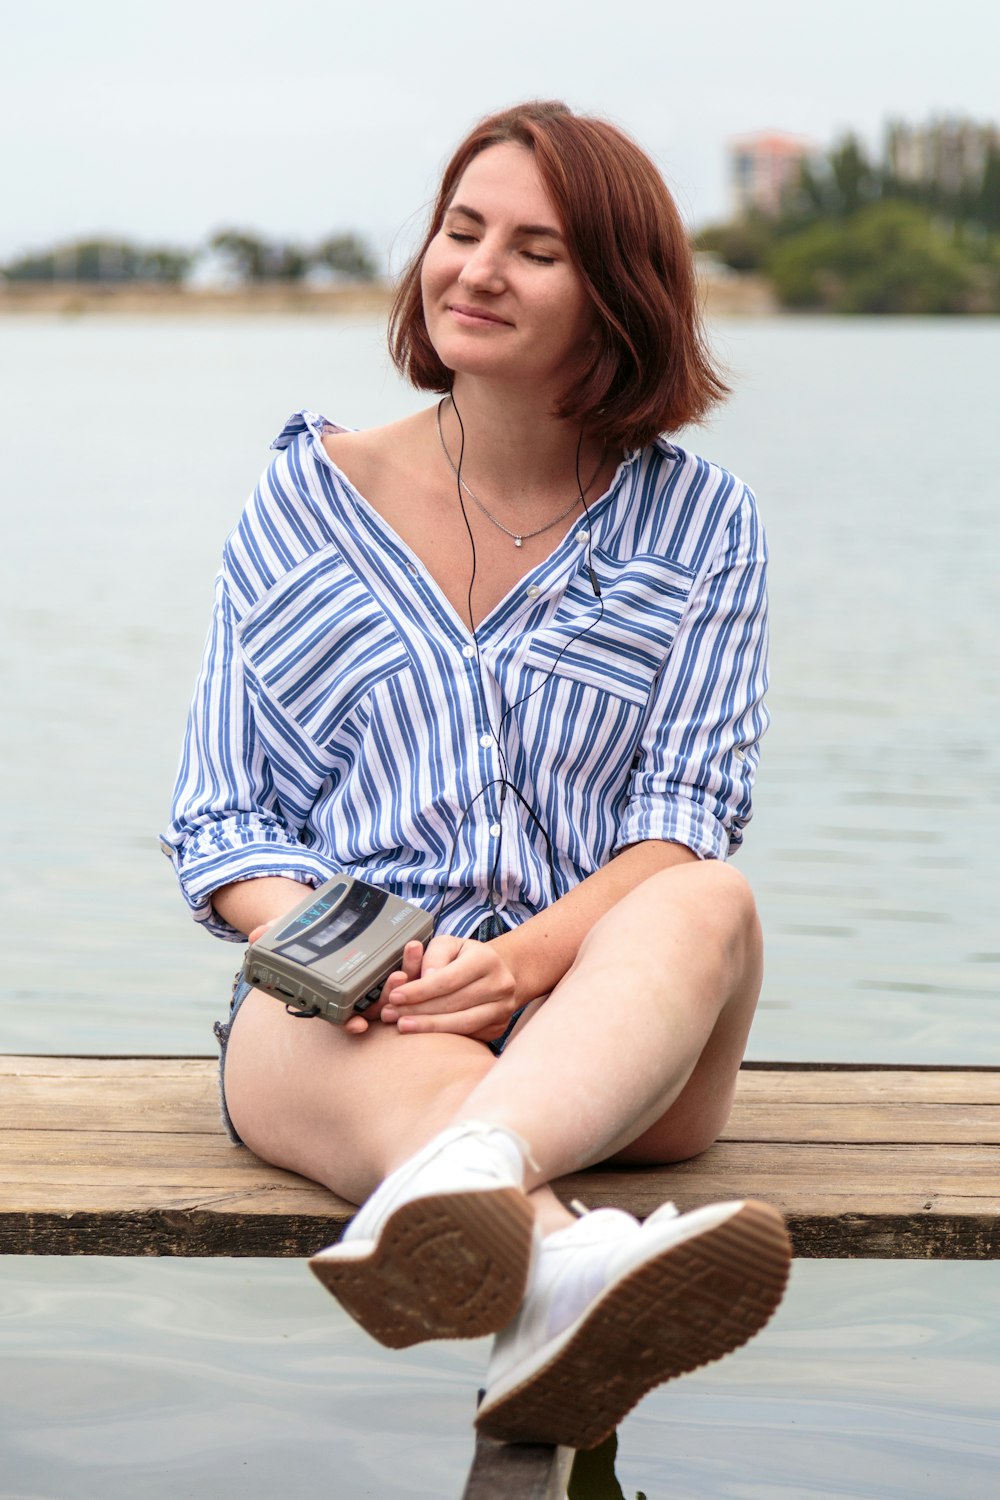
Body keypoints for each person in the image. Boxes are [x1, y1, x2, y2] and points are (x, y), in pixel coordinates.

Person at [162, 100, 789, 1452]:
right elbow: (223, 825)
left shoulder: (702, 523)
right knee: (328, 1023)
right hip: (361, 1031)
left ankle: (478, 1176)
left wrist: (523, 966)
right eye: (461, 231)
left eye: (536, 249)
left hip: (626, 1047)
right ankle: (558, 1263)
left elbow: (681, 818)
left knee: (714, 897)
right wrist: (366, 959)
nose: (477, 269)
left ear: (619, 296)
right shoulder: (303, 502)